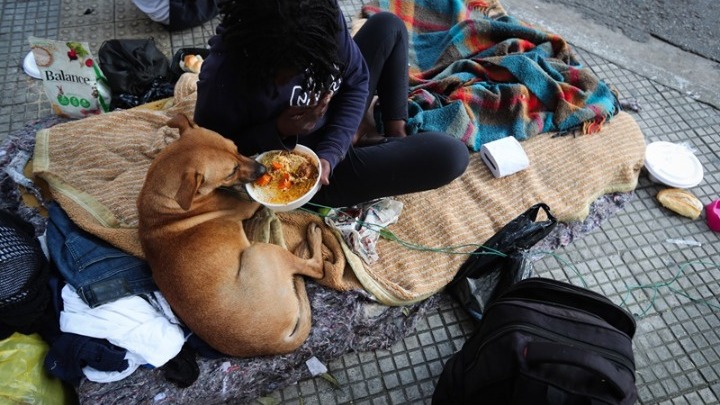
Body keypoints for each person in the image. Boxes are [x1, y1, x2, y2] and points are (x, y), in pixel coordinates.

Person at [194, 0, 469, 208]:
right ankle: (365, 143)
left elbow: (356, 80)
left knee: (389, 26)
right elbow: (216, 155)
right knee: (451, 155)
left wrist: (335, 145)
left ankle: (394, 136)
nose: (301, 75)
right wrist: (280, 131)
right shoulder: (224, 80)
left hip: (331, 144)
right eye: (288, 74)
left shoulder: (317, 20)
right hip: (311, 173)